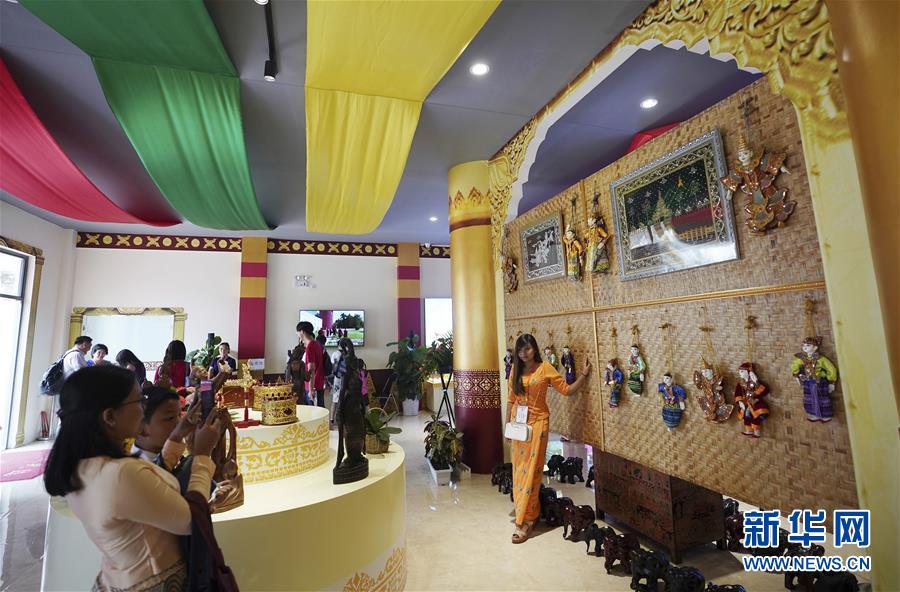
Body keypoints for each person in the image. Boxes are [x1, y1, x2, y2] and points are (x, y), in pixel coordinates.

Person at [43, 365, 223, 591]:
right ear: (110, 416)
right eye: (139, 402)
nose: (143, 409)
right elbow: (191, 520)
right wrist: (203, 455)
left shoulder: (82, 466)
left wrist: (177, 436)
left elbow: (146, 489)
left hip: (117, 580)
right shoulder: (121, 474)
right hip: (154, 582)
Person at [506, 334, 591, 544]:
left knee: (532, 471)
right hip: (519, 425)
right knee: (519, 472)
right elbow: (511, 400)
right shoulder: (515, 370)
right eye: (520, 350)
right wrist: (507, 427)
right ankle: (530, 513)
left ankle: (524, 521)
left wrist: (583, 375)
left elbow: (567, 390)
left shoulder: (545, 368)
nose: (524, 353)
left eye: (527, 349)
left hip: (538, 424)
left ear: (534, 349)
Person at [297, 321, 326, 408]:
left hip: (313, 386)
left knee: (313, 412)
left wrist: (311, 390)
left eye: (297, 332)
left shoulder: (310, 346)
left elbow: (311, 369)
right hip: (319, 383)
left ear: (302, 331)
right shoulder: (317, 344)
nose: (297, 334)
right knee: (320, 410)